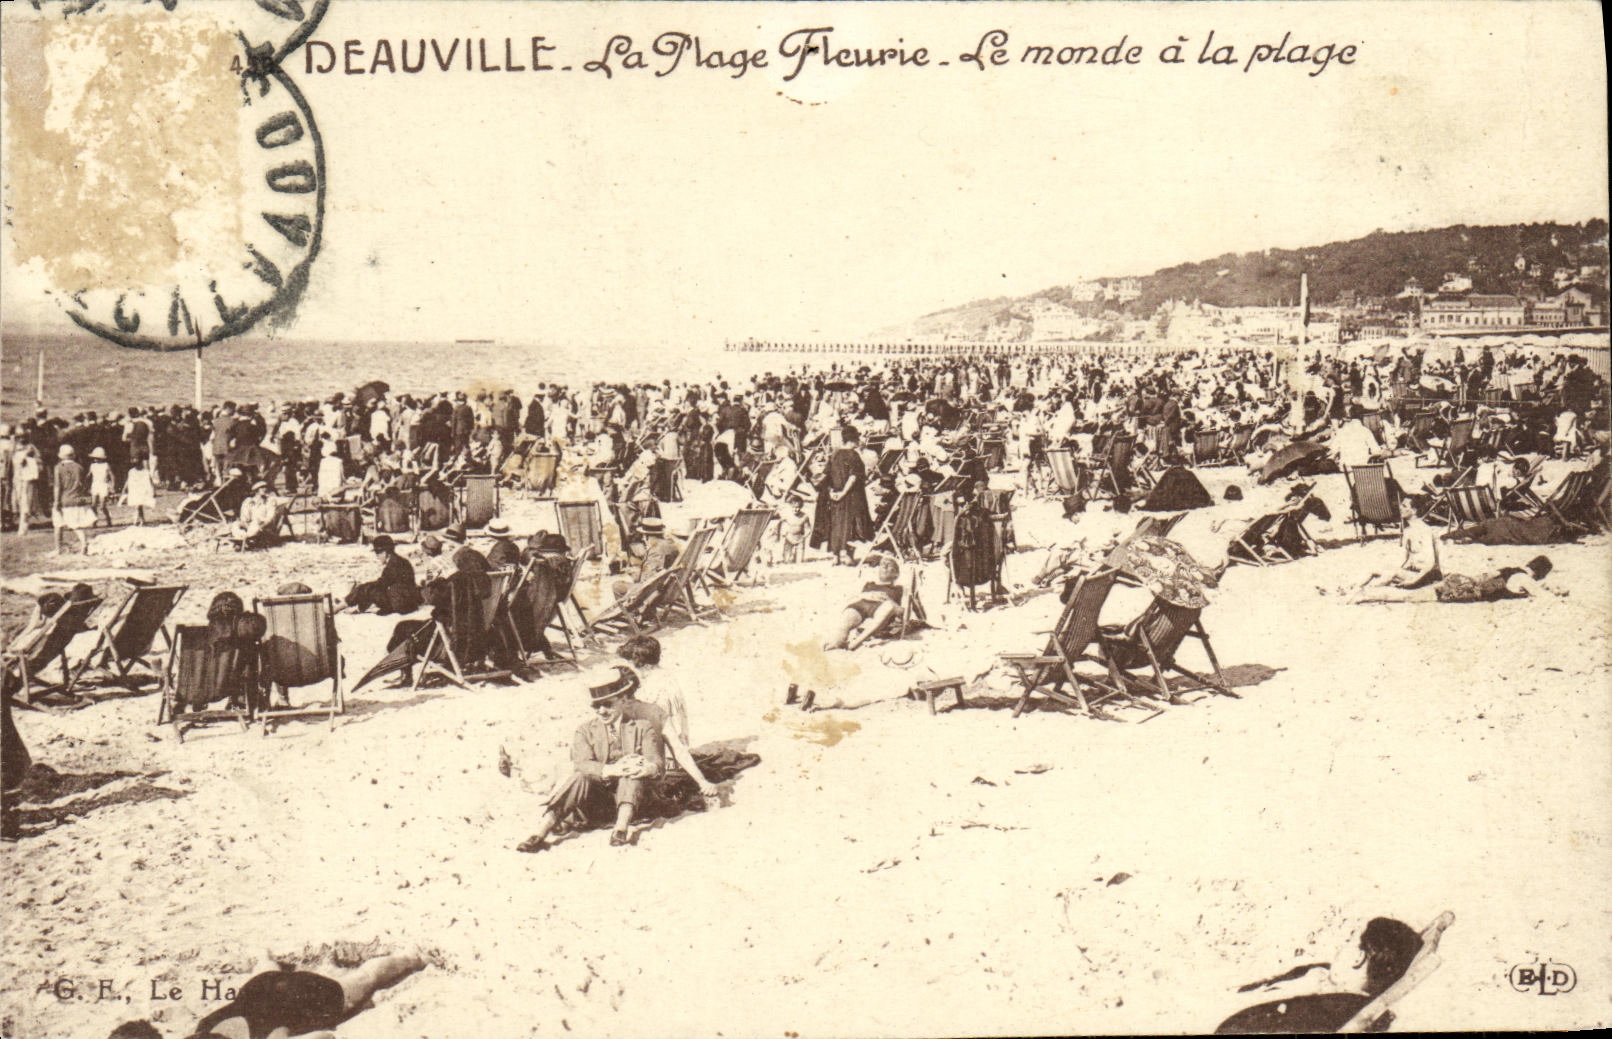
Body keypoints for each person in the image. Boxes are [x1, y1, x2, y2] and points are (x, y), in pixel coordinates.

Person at [107, 951, 426, 1039]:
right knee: (265, 974)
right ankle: (267, 956)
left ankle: (414, 958)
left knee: (361, 982)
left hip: (304, 995)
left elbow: (325, 1038)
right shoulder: (199, 1029)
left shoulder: (267, 1036)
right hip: (258, 989)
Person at [516, 666, 665, 852]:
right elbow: (582, 764)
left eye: (607, 704)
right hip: (598, 801)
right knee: (580, 776)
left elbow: (656, 761)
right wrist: (612, 770)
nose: (602, 711)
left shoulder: (642, 727)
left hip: (636, 800)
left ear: (624, 700)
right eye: (596, 706)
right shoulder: (585, 731)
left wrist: (647, 768)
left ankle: (620, 830)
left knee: (631, 774)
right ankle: (540, 832)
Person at [616, 635, 719, 801]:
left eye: (629, 661)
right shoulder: (651, 679)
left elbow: (674, 734)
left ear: (639, 662)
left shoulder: (662, 689)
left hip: (659, 749)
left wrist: (698, 778)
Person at [1347, 553, 1561, 604]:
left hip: (1462, 580)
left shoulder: (1509, 569)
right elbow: (1541, 596)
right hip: (1464, 591)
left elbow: (1483, 575)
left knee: (1411, 593)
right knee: (1408, 597)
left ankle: (1363, 591)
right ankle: (1364, 595)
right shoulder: (1523, 579)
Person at [813, 425, 874, 565]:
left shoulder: (835, 454)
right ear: (854, 440)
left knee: (836, 523)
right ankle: (846, 555)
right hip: (851, 495)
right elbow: (853, 478)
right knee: (850, 524)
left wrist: (832, 492)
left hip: (834, 494)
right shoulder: (854, 456)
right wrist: (843, 493)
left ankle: (835, 555)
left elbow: (826, 475)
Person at [824, 554, 905, 651]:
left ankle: (856, 643)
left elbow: (902, 611)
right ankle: (839, 640)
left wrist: (889, 600)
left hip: (882, 610)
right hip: (862, 606)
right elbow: (850, 599)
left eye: (889, 564)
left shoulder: (899, 589)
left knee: (888, 606)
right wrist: (865, 595)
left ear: (897, 574)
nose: (885, 566)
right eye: (882, 564)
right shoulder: (869, 584)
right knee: (849, 614)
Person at [345, 535, 421, 614]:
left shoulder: (393, 565)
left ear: (384, 553)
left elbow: (381, 584)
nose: (377, 557)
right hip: (408, 600)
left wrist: (363, 587)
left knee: (370, 589)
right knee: (369, 589)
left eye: (377, 553)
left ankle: (341, 606)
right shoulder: (400, 561)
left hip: (400, 603)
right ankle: (354, 605)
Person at [52, 444, 94, 554]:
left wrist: (56, 502)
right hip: (76, 498)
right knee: (75, 524)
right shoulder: (79, 467)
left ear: (61, 456)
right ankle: (81, 543)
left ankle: (59, 548)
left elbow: (57, 486)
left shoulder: (58, 468)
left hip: (64, 499)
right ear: (73, 455)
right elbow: (83, 484)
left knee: (59, 524)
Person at [123, 457, 156, 526]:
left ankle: (137, 520)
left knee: (139, 506)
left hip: (142, 490)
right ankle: (141, 520)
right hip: (135, 490)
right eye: (135, 464)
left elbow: (150, 481)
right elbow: (128, 480)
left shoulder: (145, 471)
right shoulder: (131, 471)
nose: (137, 465)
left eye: (138, 464)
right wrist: (124, 489)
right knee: (138, 506)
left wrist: (153, 490)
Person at [88, 446, 115, 526]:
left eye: (97, 458)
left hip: (103, 485)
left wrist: (112, 486)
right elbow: (89, 475)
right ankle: (94, 521)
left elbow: (112, 476)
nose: (95, 459)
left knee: (102, 506)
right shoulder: (92, 466)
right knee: (93, 505)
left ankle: (108, 519)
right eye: (94, 457)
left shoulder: (106, 465)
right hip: (95, 485)